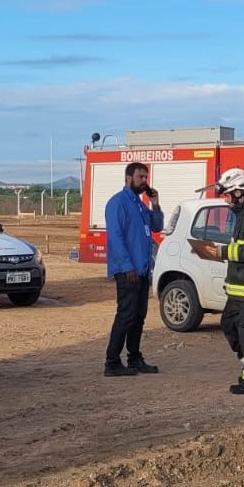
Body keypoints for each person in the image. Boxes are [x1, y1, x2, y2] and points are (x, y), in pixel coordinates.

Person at [193, 168, 244, 395]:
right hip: (241, 287)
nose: (226, 199)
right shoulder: (243, 214)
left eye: (228, 194)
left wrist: (221, 252)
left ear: (240, 192)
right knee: (229, 325)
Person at [103, 161, 163, 377]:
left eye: (146, 177)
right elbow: (116, 238)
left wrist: (155, 203)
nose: (144, 181)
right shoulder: (118, 203)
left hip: (142, 270)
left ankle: (135, 358)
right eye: (141, 177)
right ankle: (112, 362)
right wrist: (127, 265)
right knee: (126, 315)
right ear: (129, 178)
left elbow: (156, 226)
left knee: (139, 316)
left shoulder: (140, 204)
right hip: (127, 270)